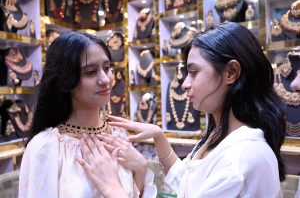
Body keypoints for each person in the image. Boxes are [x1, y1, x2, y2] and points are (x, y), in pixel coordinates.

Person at [78, 22, 286, 197]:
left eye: (194, 72)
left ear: (230, 73)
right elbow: (188, 184)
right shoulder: (219, 136)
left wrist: (112, 188)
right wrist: (158, 136)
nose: (185, 83)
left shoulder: (241, 157)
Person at [18, 31, 157, 198]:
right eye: (91, 71)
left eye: (107, 68)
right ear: (65, 81)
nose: (105, 79)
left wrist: (141, 169)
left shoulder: (118, 136)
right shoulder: (46, 147)